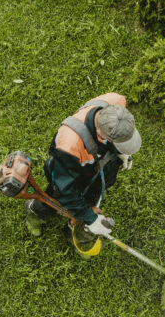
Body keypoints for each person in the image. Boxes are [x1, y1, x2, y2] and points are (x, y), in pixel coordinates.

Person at [24, 92, 141, 258]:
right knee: (56, 201)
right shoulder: (69, 145)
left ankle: (75, 229)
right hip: (70, 173)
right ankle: (35, 212)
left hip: (97, 167)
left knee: (90, 200)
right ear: (102, 134)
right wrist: (91, 218)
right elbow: (65, 190)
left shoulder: (116, 101)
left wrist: (121, 153)